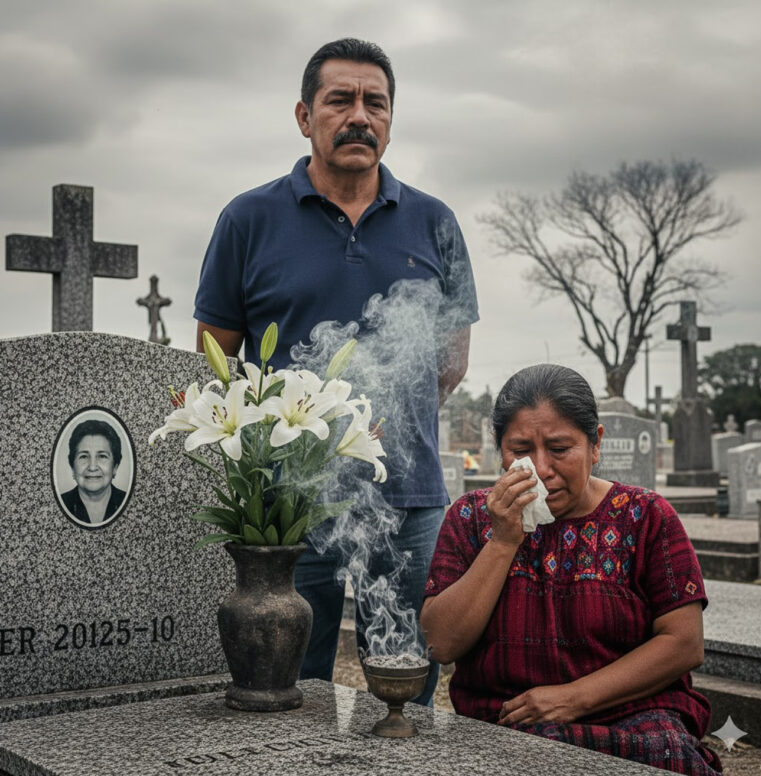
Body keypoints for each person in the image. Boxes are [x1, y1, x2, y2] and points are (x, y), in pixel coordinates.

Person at [193, 38, 478, 704]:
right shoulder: (248, 219)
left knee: (404, 687)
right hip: (290, 510)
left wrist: (380, 429)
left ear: (391, 117)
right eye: (340, 100)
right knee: (287, 683)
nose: (359, 116)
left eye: (375, 103)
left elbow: (450, 362)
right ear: (304, 116)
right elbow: (214, 361)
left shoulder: (435, 222)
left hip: (407, 499)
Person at [421, 364, 722, 774]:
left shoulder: (645, 517)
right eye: (521, 450)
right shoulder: (473, 518)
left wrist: (574, 697)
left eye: (560, 449)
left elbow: (684, 643)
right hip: (510, 721)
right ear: (499, 449)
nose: (541, 469)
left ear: (595, 444)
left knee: (663, 756)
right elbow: (441, 644)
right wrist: (505, 540)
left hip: (633, 718)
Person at [60, 420, 126, 525]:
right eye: (84, 456)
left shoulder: (128, 502)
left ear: (115, 467)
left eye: (102, 456)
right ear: (72, 467)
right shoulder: (60, 504)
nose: (92, 467)